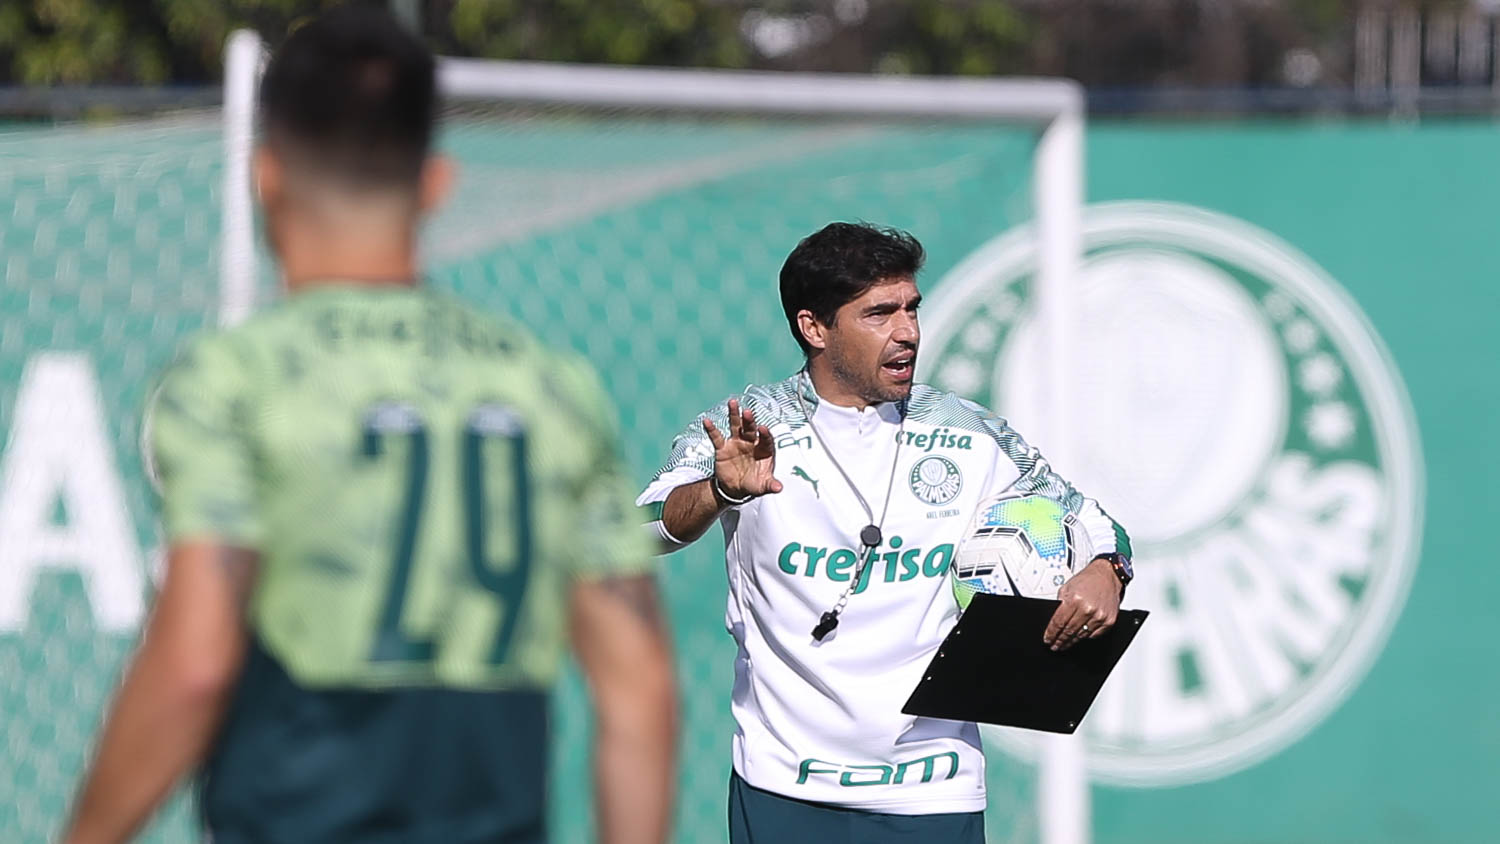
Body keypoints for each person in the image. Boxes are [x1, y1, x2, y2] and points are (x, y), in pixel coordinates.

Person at [61, 9, 677, 844]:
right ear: (434, 182)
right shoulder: (550, 386)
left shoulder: (233, 378)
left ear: (265, 175)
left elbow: (196, 661)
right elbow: (639, 688)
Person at [637, 222, 1133, 844]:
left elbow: (1091, 521)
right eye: (879, 313)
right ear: (813, 327)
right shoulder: (745, 430)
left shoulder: (969, 432)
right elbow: (638, 531)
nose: (908, 332)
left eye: (912, 308)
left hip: (934, 786)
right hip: (786, 784)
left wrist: (1106, 569)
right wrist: (720, 490)